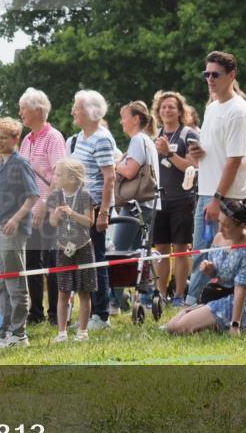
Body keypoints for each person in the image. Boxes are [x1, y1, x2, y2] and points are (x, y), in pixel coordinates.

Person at [185, 51, 246, 305]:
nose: (210, 79)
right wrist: (198, 152)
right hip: (207, 191)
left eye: (216, 74)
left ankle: (201, 304)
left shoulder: (238, 111)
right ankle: (197, 303)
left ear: (232, 75)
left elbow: (234, 160)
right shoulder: (212, 107)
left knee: (221, 256)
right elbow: (215, 151)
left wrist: (217, 198)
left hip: (227, 197)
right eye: (207, 74)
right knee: (202, 253)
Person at [164, 199, 246, 335]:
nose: (221, 229)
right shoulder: (219, 238)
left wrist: (235, 325)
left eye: (227, 226)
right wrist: (211, 270)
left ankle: (220, 324)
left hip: (236, 303)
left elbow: (240, 288)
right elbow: (220, 274)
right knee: (172, 326)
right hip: (217, 296)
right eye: (219, 222)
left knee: (179, 328)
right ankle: (205, 323)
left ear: (242, 225)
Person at [0, 118, 39, 349]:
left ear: (15, 139)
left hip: (14, 230)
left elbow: (33, 195)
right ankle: (5, 331)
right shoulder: (1, 164)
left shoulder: (20, 163)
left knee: (15, 283)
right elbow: (0, 203)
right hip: (0, 229)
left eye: (3, 137)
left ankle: (19, 334)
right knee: (2, 283)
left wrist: (16, 219)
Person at [66, 90, 116, 328]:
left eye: (77, 107)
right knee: (84, 259)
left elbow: (109, 178)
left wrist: (103, 212)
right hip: (80, 207)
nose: (73, 111)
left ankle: (101, 315)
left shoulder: (101, 139)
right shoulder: (80, 138)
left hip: (95, 208)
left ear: (91, 112)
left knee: (96, 258)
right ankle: (90, 313)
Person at [18, 87, 67, 324]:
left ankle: (56, 314)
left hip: (51, 210)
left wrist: (44, 203)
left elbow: (60, 175)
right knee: (32, 261)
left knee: (52, 261)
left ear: (38, 110)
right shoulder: (26, 140)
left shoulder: (54, 137)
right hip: (30, 209)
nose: (20, 113)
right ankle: (35, 312)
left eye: (23, 108)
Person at [151, 91, 199, 306]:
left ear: (180, 111)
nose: (166, 110)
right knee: (161, 249)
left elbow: (193, 165)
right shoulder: (155, 136)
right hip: (160, 200)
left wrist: (169, 154)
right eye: (163, 107)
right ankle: (161, 295)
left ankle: (179, 295)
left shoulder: (189, 134)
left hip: (183, 199)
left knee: (180, 249)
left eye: (171, 107)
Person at [115, 100, 161, 309]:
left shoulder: (137, 140)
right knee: (139, 252)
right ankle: (146, 296)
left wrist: (115, 164)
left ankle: (114, 299)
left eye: (124, 117)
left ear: (135, 119)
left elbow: (130, 171)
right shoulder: (147, 140)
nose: (121, 122)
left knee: (119, 250)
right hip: (149, 203)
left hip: (135, 203)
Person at [47, 158, 96, 342]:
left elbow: (89, 222)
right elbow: (52, 223)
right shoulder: (55, 196)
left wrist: (71, 213)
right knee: (63, 291)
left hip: (83, 248)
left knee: (84, 291)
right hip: (63, 249)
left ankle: (83, 331)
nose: (55, 177)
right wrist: (55, 216)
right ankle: (62, 332)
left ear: (72, 179)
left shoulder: (84, 195)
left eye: (59, 175)